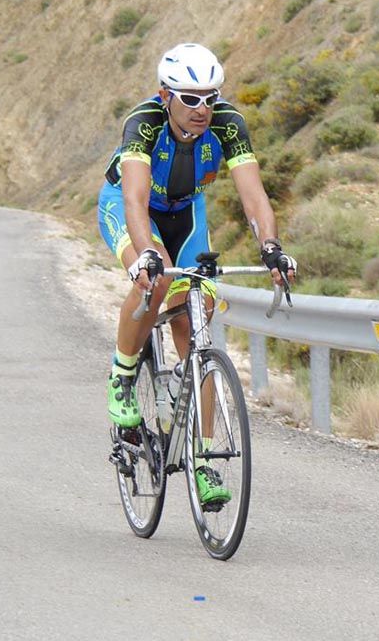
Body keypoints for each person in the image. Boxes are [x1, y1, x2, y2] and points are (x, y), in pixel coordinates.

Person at [98, 42, 296, 506]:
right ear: (165, 95)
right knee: (158, 277)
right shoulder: (142, 124)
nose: (202, 108)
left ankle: (203, 458)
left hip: (186, 213)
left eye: (210, 96)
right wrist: (147, 255)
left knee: (198, 315)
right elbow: (133, 200)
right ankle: (122, 376)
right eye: (190, 98)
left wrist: (271, 247)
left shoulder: (229, 125)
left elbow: (254, 197)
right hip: (131, 209)